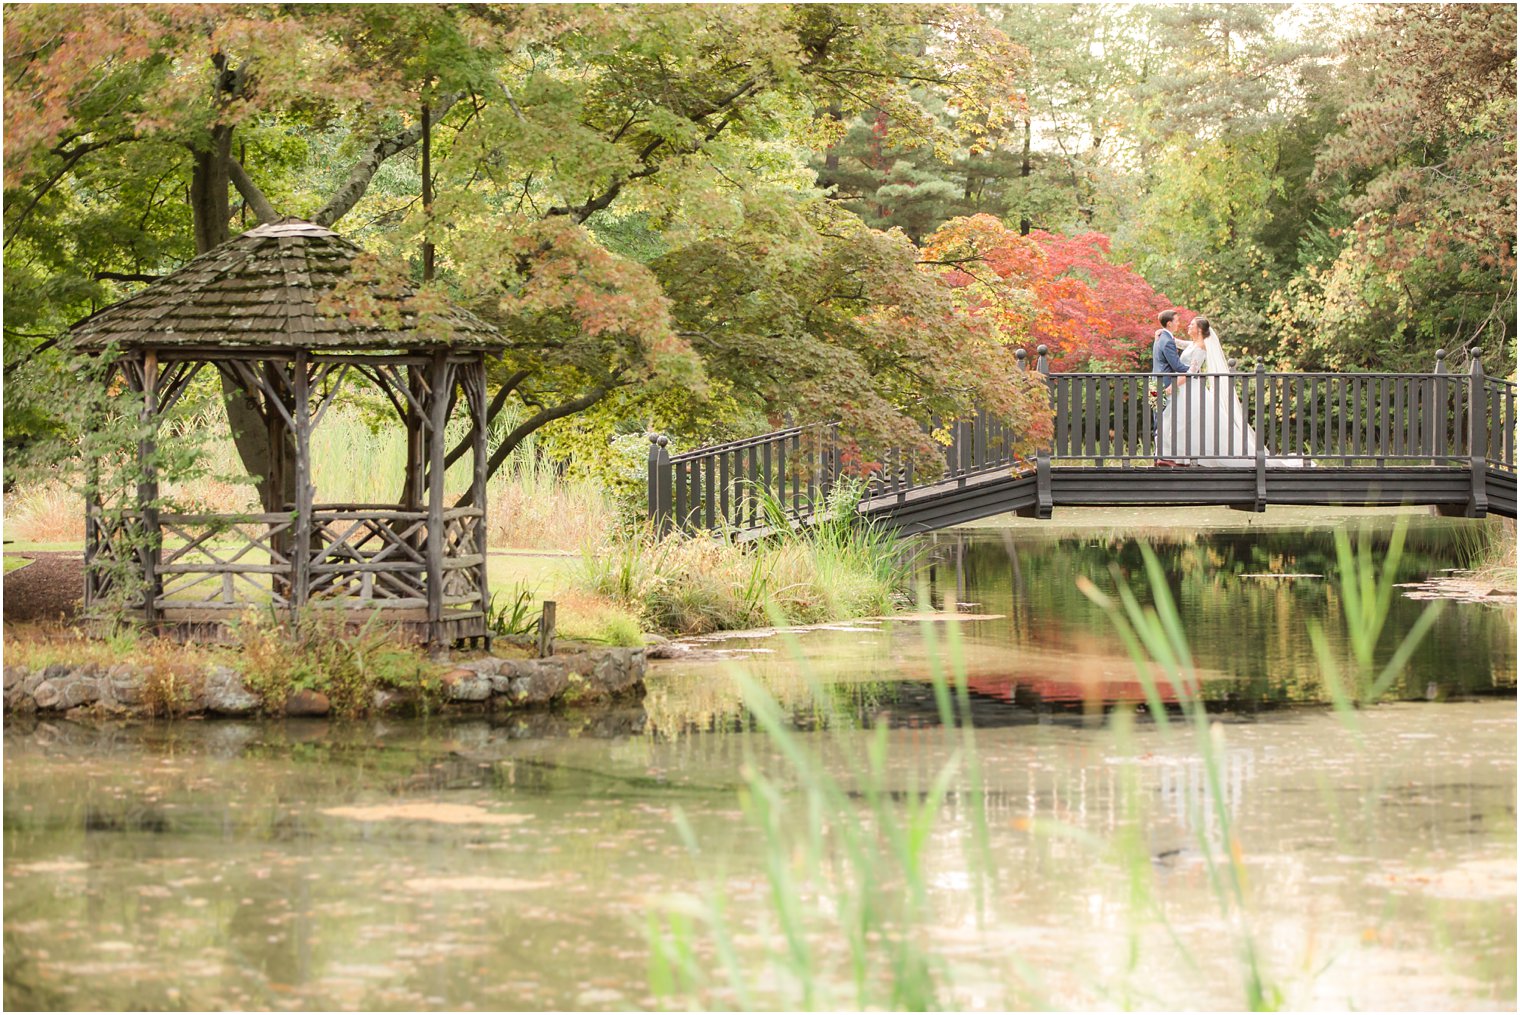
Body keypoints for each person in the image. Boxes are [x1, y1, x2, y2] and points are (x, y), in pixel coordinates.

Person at [1156, 316, 1306, 467]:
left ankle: (1190, 458)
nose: (1188, 326)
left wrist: (1173, 387)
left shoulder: (1201, 347)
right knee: (1182, 422)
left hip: (1191, 388)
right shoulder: (1194, 344)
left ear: (1199, 330)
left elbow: (1191, 372)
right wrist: (1163, 333)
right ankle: (1182, 457)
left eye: (1192, 324)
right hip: (1185, 389)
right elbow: (1179, 343)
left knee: (1187, 423)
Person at [1151, 310, 1189, 464]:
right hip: (1164, 384)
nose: (1179, 323)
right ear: (1169, 323)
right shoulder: (1167, 341)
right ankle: (1161, 457)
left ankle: (1159, 455)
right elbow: (1177, 366)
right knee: (1163, 420)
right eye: (1177, 320)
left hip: (1154, 383)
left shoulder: (1161, 337)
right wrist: (1194, 370)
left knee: (1158, 420)